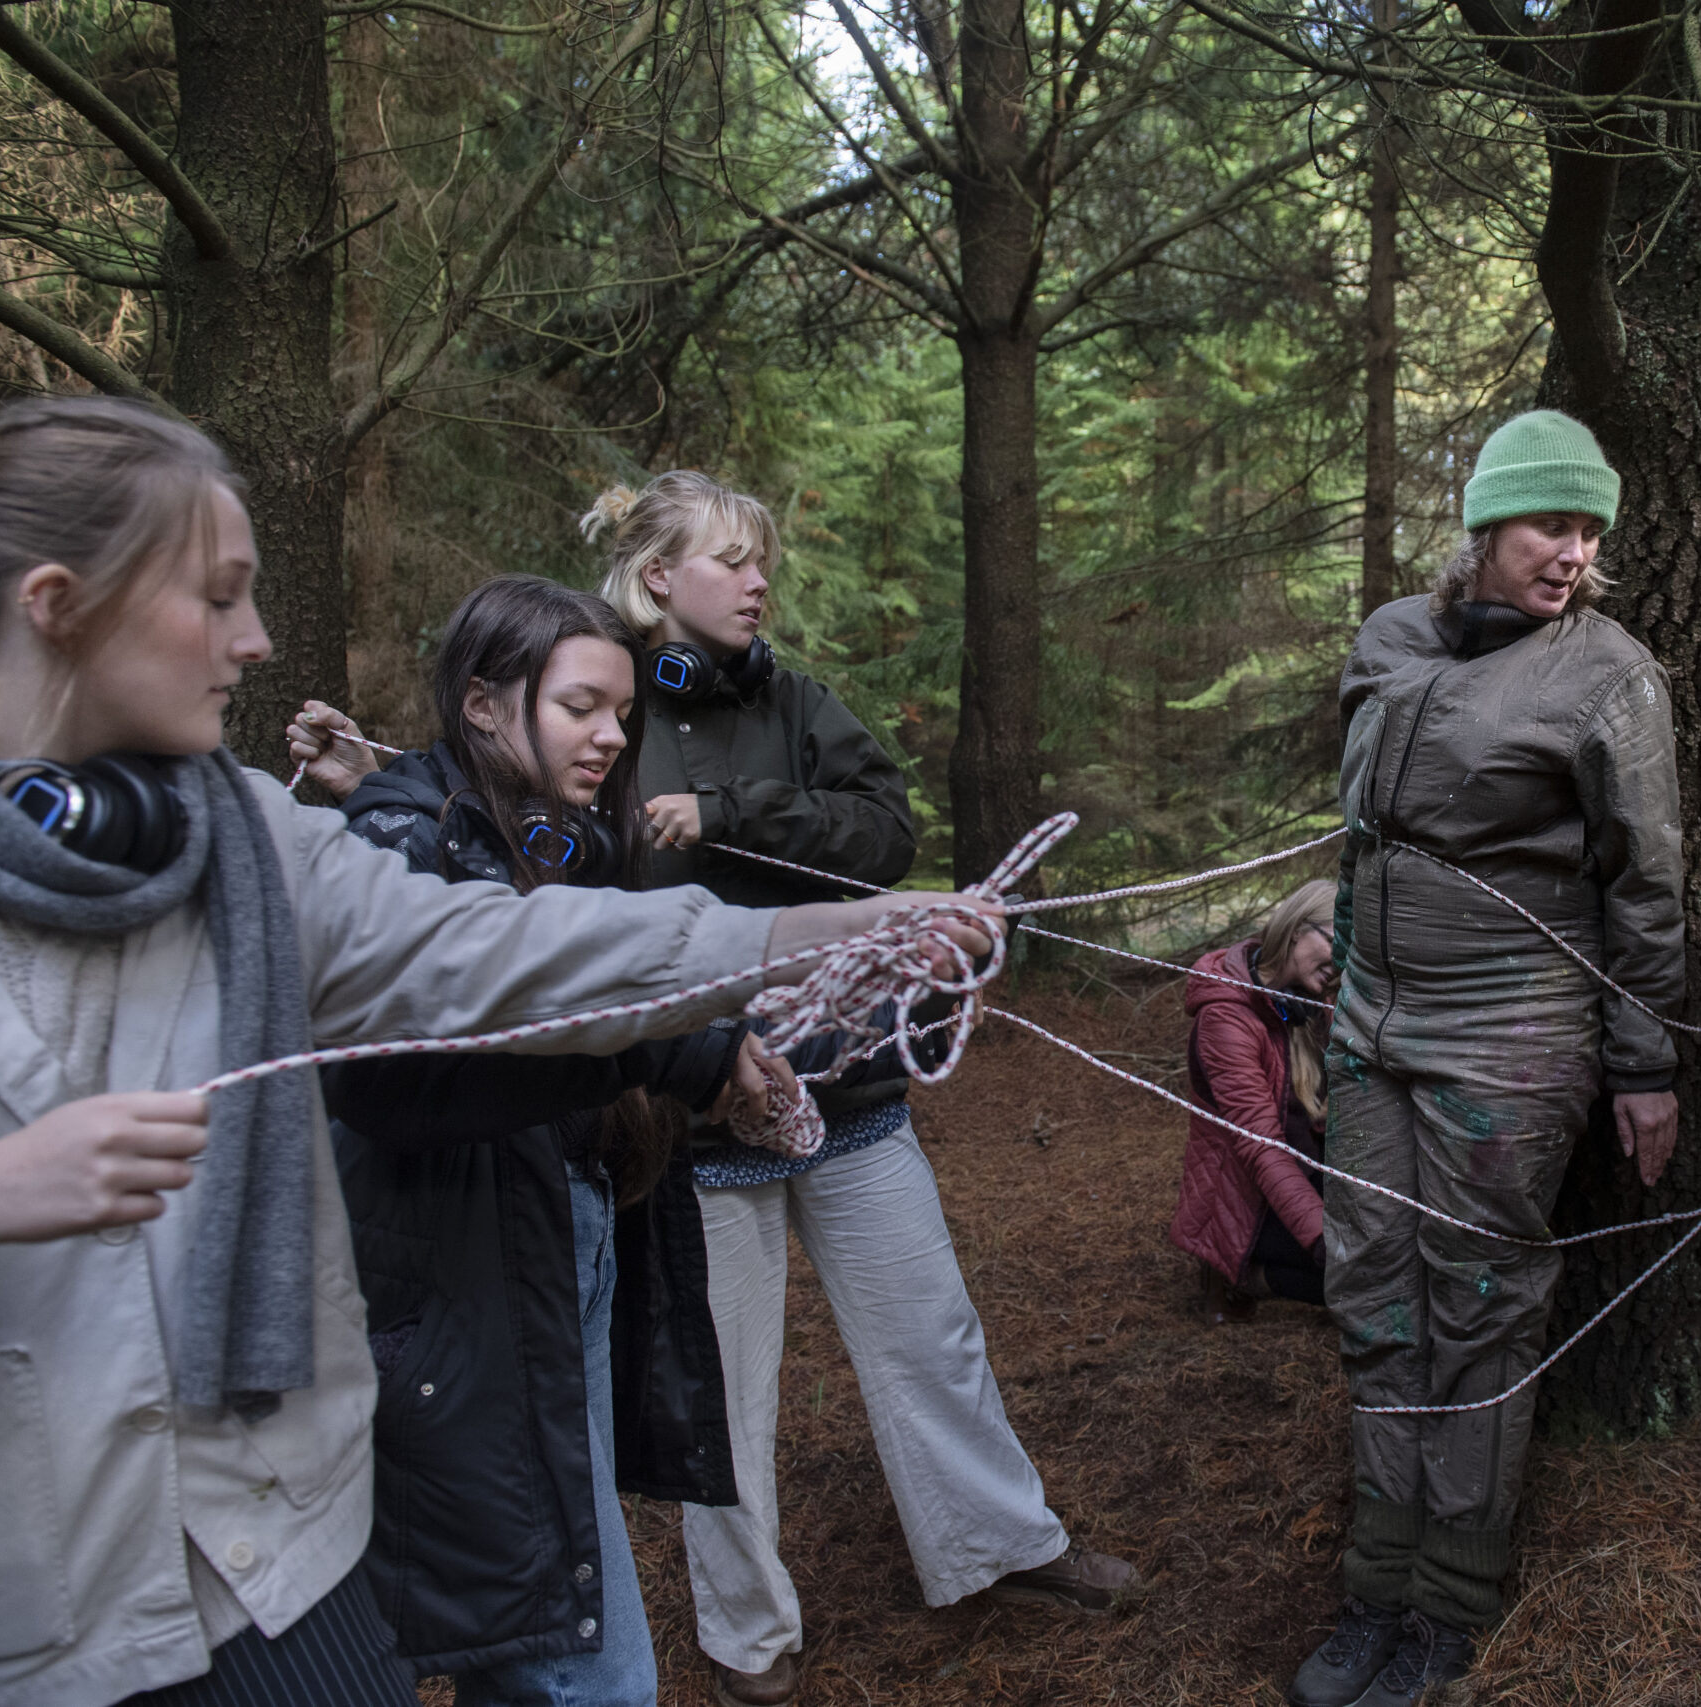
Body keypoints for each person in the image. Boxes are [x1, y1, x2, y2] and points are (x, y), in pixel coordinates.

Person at [0, 398, 994, 1707]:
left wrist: (804, 937)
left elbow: (497, 949)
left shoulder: (255, 841)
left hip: (286, 1564)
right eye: (214, 597)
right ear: (57, 605)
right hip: (19, 1616)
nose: (255, 638)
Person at [587, 472, 1137, 1706]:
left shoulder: (792, 699)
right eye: (732, 559)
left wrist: (729, 812)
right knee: (725, 1390)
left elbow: (883, 834)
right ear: (659, 577)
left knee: (929, 1332)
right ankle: (747, 1636)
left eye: (763, 560)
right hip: (693, 1108)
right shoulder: (603, 708)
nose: (758, 581)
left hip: (848, 1083)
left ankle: (1001, 1547)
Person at [289, 575, 781, 1704]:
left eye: (623, 713)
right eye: (579, 707)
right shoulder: (398, 838)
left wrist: (717, 1042)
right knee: (577, 1666)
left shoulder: (564, 835)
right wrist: (672, 1045)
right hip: (457, 1291)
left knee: (548, 1606)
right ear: (482, 703)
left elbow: (597, 979)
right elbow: (413, 1062)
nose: (611, 736)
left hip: (562, 1247)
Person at [1292, 411, 1686, 1707]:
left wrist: (1645, 1064)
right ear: (1485, 525)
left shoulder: (1609, 674)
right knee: (1371, 1291)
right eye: (1549, 526)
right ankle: (1375, 1580)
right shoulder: (1390, 639)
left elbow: (1647, 885)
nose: (1573, 553)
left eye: (1588, 532)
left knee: (1476, 1301)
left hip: (1512, 1030)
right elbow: (1360, 839)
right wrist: (1339, 963)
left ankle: (1448, 1604)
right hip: (1372, 1026)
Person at [1170, 877, 1338, 1320]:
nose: (1341, 960)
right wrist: (1324, 1238)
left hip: (1306, 1169)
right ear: (1297, 929)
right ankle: (1248, 1277)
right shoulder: (1225, 1018)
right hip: (1248, 1199)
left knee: (1392, 1253)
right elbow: (1261, 1148)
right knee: (1363, 1278)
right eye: (1335, 941)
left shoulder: (1310, 1001)